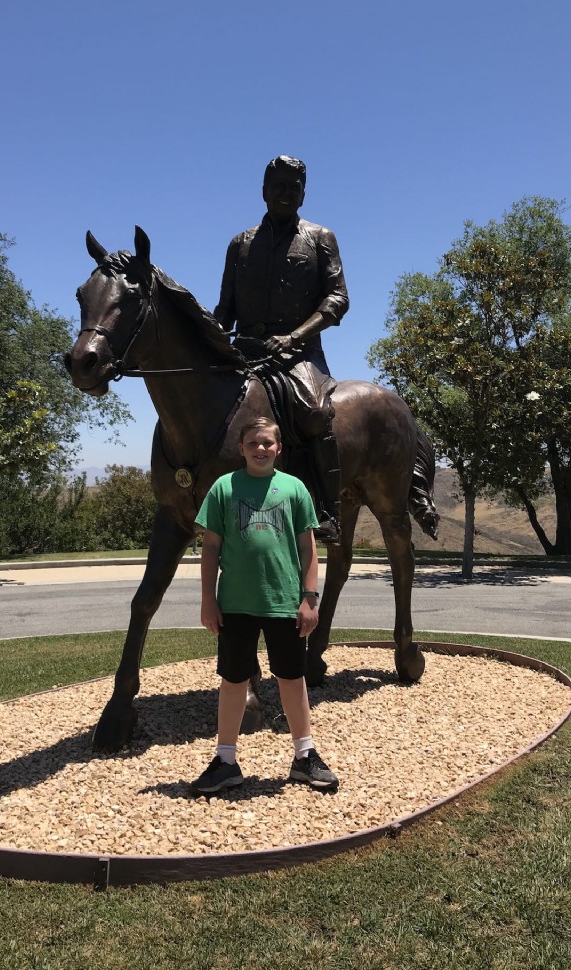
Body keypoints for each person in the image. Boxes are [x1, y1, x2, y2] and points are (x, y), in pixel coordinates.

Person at [190, 416, 339, 795]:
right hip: (236, 603)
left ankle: (304, 757)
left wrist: (309, 599)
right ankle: (225, 761)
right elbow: (210, 549)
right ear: (241, 448)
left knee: (292, 678)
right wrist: (208, 599)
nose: (261, 449)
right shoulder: (224, 488)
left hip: (284, 602)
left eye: (267, 443)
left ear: (278, 449)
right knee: (233, 680)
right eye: (253, 443)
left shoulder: (294, 489)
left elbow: (308, 549)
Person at [213, 155, 349, 544]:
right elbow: (225, 308)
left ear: (304, 194)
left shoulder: (321, 238)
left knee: (314, 412)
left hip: (298, 353)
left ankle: (328, 511)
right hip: (245, 349)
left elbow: (338, 299)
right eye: (279, 186)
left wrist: (294, 337)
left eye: (294, 187)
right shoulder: (240, 244)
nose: (286, 193)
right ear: (263, 192)